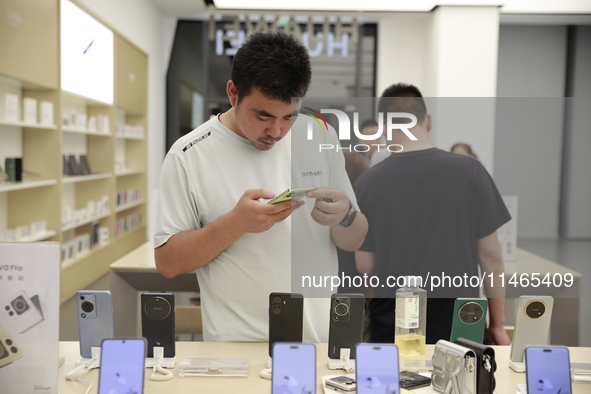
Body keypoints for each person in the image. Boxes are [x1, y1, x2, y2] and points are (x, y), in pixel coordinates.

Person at [154, 32, 368, 343]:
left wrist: (346, 215)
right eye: (263, 115)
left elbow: (355, 238)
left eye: (289, 116)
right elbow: (168, 263)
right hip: (238, 349)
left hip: (321, 344)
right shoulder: (189, 154)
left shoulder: (320, 134)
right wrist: (235, 223)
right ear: (232, 93)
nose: (277, 131)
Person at [354, 83, 511, 345]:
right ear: (428, 121)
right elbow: (491, 256)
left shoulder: (368, 182)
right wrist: (497, 326)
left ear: (384, 127)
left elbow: (365, 267)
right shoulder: (471, 171)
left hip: (393, 327)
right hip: (460, 325)